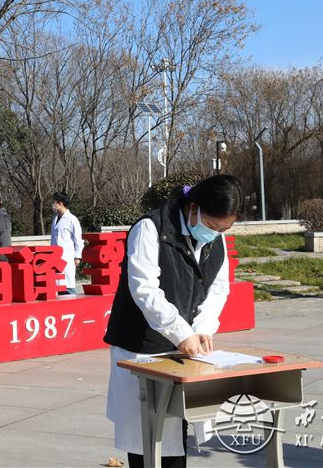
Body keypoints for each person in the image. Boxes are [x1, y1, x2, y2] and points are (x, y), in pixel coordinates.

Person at [104, 175, 242, 468]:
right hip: (142, 347)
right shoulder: (151, 228)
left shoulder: (215, 239)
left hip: (183, 350)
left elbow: (218, 289)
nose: (215, 234)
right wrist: (181, 332)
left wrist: (202, 328)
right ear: (194, 208)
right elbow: (144, 289)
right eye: (212, 225)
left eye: (224, 229)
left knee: (177, 431)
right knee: (148, 439)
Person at [50, 192, 84, 294]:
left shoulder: (72, 219)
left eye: (54, 202)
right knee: (58, 286)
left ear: (60, 203)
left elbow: (78, 239)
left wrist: (78, 256)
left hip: (67, 257)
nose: (53, 205)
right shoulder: (55, 219)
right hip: (56, 257)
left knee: (68, 286)